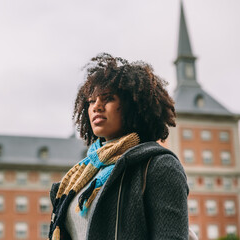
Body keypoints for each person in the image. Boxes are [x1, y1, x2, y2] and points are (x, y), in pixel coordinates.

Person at [48, 53, 189, 240]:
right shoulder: (80, 175)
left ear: (133, 105)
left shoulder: (159, 166)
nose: (97, 106)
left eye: (107, 98)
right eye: (91, 101)